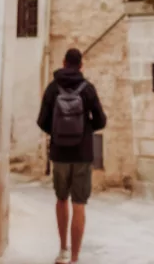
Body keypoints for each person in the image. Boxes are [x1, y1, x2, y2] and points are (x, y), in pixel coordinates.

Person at [37, 47, 107, 264]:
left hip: (59, 154)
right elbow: (101, 120)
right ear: (81, 65)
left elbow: (42, 121)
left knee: (61, 200)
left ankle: (63, 250)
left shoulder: (52, 88)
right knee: (79, 204)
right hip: (83, 154)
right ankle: (75, 258)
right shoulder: (88, 89)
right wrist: (85, 130)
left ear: (64, 62)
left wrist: (58, 133)